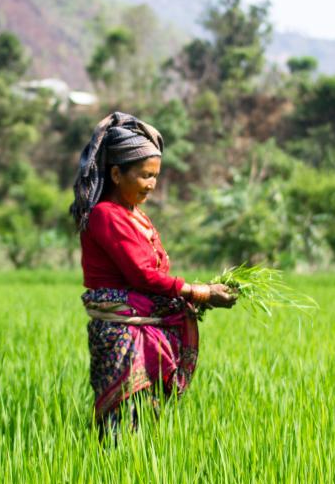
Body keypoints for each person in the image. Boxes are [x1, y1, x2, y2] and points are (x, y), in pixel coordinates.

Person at [70, 111, 235, 435]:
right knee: (121, 423)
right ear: (117, 174)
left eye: (156, 175)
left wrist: (201, 289)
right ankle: (108, 477)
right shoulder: (107, 215)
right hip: (123, 331)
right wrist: (200, 292)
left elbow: (154, 274)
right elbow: (142, 276)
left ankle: (135, 476)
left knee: (145, 421)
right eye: (145, 175)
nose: (152, 184)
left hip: (143, 326)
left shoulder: (135, 215)